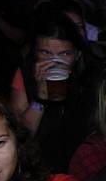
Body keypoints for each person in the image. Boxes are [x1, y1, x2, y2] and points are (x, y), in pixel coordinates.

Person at [10, 10, 94, 172]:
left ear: (77, 55)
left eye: (64, 54)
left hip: (80, 167)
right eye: (45, 53)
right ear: (35, 52)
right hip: (40, 168)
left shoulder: (90, 78)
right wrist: (40, 99)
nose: (55, 62)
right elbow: (21, 137)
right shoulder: (25, 74)